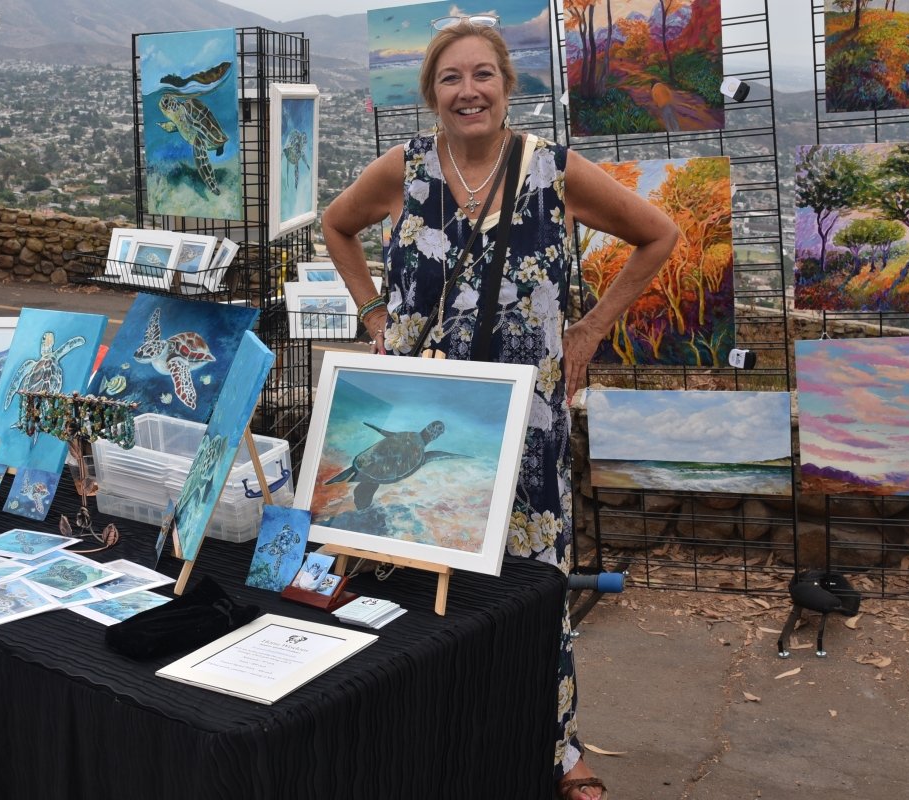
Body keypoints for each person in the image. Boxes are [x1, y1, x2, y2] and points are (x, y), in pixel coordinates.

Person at [321, 17, 679, 800]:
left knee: (532, 584)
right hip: (419, 394)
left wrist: (592, 327)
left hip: (528, 422)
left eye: (482, 74)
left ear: (507, 86)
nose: (468, 91)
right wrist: (374, 314)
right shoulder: (405, 169)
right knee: (413, 574)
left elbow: (659, 234)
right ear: (431, 93)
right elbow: (336, 227)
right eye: (451, 78)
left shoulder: (554, 170)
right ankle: (428, 736)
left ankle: (556, 746)